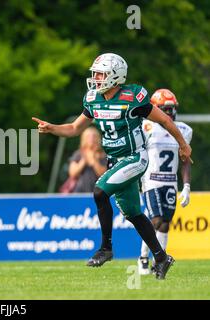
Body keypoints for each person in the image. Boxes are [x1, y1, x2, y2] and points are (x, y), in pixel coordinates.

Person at [32, 53, 192, 279]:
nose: (95, 78)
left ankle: (106, 248)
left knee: (99, 192)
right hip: (115, 161)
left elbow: (165, 120)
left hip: (136, 158)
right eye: (95, 74)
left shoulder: (132, 96)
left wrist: (183, 145)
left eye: (100, 74)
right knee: (134, 214)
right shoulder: (94, 98)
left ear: (115, 75)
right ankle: (161, 257)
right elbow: (74, 128)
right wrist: (52, 128)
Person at [138, 89, 192, 275]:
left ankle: (157, 263)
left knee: (165, 223)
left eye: (171, 109)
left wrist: (186, 186)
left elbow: (185, 159)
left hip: (170, 182)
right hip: (151, 181)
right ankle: (143, 256)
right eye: (164, 109)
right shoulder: (146, 127)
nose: (169, 113)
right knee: (155, 220)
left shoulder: (184, 129)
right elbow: (139, 155)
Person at [66, 126, 107, 193]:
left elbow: (105, 176)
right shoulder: (78, 154)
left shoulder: (105, 155)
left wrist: (94, 160)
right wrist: (84, 160)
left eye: (94, 136)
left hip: (99, 192)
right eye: (88, 136)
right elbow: (72, 174)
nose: (91, 139)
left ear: (98, 138)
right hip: (80, 192)